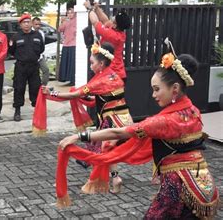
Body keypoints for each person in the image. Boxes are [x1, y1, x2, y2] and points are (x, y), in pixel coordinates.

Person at [56, 50, 219, 219]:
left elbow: (116, 132)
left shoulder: (164, 121)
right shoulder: (193, 111)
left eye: (157, 89)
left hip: (177, 186)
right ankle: (114, 176)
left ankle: (114, 176)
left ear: (175, 88)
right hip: (203, 183)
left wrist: (78, 136)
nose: (154, 95)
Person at [43, 42, 132, 193]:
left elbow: (74, 94)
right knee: (106, 150)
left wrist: (52, 93)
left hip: (111, 122)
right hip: (125, 119)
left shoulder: (100, 80)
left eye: (92, 63)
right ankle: (115, 178)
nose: (90, 66)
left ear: (101, 63)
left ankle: (93, 180)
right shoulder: (114, 75)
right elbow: (103, 99)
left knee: (100, 151)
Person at [9, 13, 44, 121]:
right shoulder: (16, 36)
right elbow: (11, 51)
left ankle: (37, 111)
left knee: (35, 88)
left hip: (34, 66)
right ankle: (17, 111)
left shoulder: (37, 35)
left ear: (31, 23)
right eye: (24, 22)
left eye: (28, 22)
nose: (27, 24)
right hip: (21, 66)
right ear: (20, 24)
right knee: (19, 88)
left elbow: (41, 49)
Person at [84, 0, 131, 82]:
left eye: (114, 19)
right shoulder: (118, 31)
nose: (112, 18)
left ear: (115, 25)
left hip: (113, 75)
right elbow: (105, 20)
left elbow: (95, 22)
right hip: (116, 74)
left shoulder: (112, 35)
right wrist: (97, 8)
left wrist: (89, 9)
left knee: (106, 94)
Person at [58, 8, 77, 85]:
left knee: (72, 63)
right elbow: (60, 29)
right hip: (66, 44)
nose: (70, 14)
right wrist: (62, 21)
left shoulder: (77, 21)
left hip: (74, 44)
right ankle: (66, 78)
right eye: (68, 13)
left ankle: (72, 79)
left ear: (75, 13)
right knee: (66, 62)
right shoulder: (66, 22)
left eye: (71, 13)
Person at [32, 17, 49, 86]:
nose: (38, 26)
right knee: (34, 74)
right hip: (32, 57)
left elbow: (42, 45)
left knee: (46, 70)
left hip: (40, 56)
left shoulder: (41, 33)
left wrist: (43, 55)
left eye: (39, 24)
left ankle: (43, 86)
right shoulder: (30, 33)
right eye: (36, 24)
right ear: (32, 24)